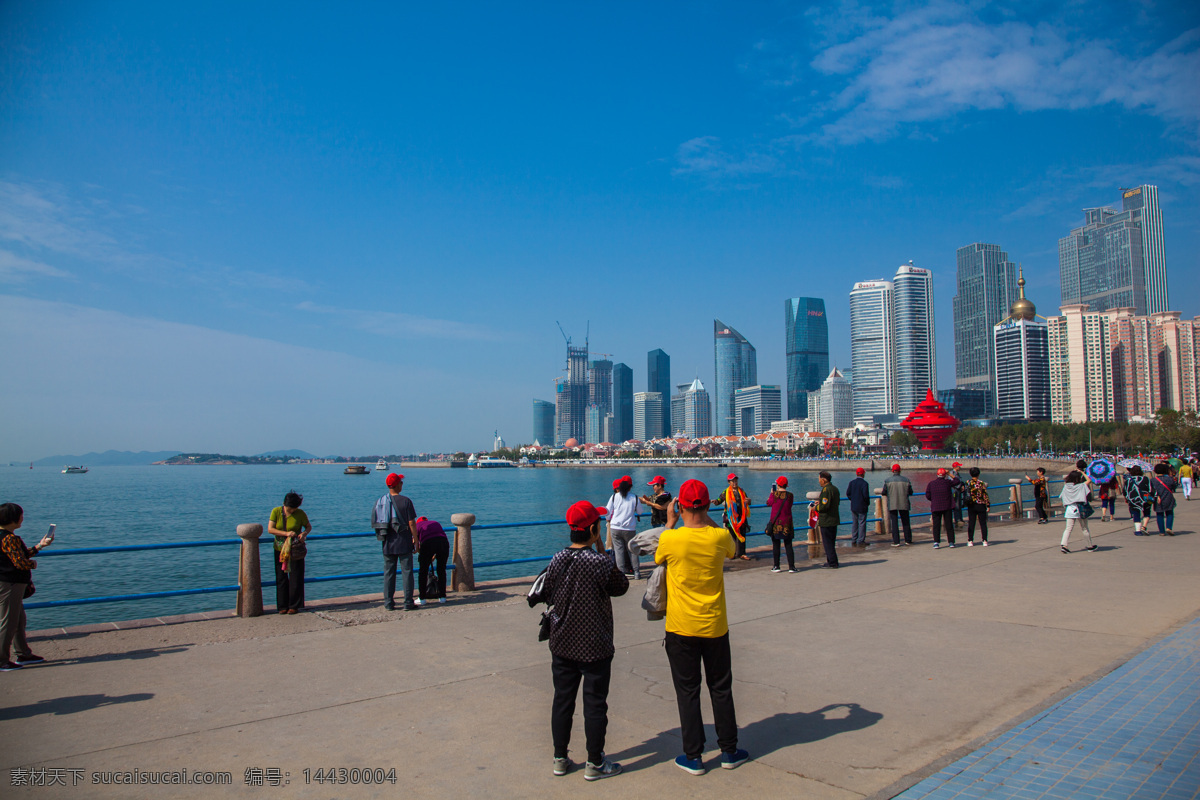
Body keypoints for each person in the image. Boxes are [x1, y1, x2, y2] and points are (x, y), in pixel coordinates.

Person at [656, 479, 749, 775]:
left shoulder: (670, 539)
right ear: (708, 505)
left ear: (680, 506)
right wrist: (704, 516)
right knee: (721, 688)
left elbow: (658, 556)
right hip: (715, 625)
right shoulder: (719, 537)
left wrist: (671, 521)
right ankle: (729, 751)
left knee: (688, 691)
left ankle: (693, 756)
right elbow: (734, 550)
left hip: (681, 626)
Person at [543, 501, 628, 781]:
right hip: (595, 644)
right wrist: (604, 551)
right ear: (593, 529)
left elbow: (549, 592)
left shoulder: (557, 559)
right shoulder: (598, 562)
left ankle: (559, 758)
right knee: (594, 703)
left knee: (562, 700)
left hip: (562, 641)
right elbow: (621, 587)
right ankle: (594, 761)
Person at [0, 503, 53, 671]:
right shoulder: (9, 538)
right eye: (21, 516)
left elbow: (17, 554)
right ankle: (2, 660)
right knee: (9, 622)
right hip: (10, 584)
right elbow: (20, 562)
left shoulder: (5, 537)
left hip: (9, 583)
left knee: (19, 620)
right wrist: (33, 564)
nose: (23, 518)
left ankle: (24, 653)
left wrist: (39, 546)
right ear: (13, 519)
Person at [373, 473, 419, 610]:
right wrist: (416, 540)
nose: (402, 484)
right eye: (401, 482)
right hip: (404, 540)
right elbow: (412, 523)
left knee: (388, 573)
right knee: (407, 572)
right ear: (397, 485)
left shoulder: (380, 502)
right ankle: (408, 602)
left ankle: (388, 603)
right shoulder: (406, 501)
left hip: (387, 540)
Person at [267, 492, 311, 614]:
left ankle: (294, 606)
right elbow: (270, 529)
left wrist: (304, 533)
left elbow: (308, 527)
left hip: (295, 549)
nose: (291, 511)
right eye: (289, 508)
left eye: (294, 508)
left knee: (296, 577)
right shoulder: (276, 512)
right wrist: (286, 534)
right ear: (284, 504)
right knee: (281, 577)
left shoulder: (300, 513)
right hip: (280, 549)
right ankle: (282, 606)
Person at [606, 476, 641, 579]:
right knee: (632, 550)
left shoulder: (614, 497)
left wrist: (609, 519)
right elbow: (640, 511)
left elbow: (607, 512)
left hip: (615, 527)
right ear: (630, 487)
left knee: (618, 550)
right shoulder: (634, 497)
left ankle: (621, 574)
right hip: (629, 528)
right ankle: (636, 572)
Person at [712, 473, 751, 561]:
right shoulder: (725, 492)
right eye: (732, 481)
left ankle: (742, 553)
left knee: (742, 535)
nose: (735, 483)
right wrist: (715, 501)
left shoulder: (742, 491)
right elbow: (719, 500)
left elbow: (747, 500)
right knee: (732, 536)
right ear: (729, 482)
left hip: (741, 517)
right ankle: (733, 553)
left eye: (736, 481)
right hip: (731, 518)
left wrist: (749, 501)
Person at [415, 517, 449, 606]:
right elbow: (437, 537)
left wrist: (424, 555)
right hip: (443, 542)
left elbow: (416, 543)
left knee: (423, 571)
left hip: (428, 542)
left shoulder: (417, 525)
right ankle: (442, 597)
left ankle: (422, 598)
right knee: (441, 570)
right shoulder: (435, 522)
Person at [1059, 472, 1096, 553]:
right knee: (1084, 528)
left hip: (1069, 508)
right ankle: (1089, 546)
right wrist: (1083, 472)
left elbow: (1063, 497)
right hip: (1080, 508)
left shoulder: (1066, 487)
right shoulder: (1081, 486)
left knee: (1068, 528)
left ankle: (1064, 545)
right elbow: (1089, 480)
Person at [765, 476, 796, 573]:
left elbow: (768, 503)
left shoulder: (774, 495)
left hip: (776, 523)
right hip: (787, 523)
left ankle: (776, 566)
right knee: (788, 545)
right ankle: (791, 567)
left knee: (776, 545)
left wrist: (771, 493)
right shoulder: (790, 495)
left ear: (778, 484)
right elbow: (789, 505)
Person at [925, 468, 959, 549]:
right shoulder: (947, 482)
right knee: (949, 525)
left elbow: (928, 495)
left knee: (936, 525)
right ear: (944, 475)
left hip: (936, 506)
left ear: (937, 474)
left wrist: (933, 499)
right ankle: (951, 542)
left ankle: (936, 542)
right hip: (947, 506)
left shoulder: (931, 483)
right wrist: (949, 474)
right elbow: (957, 481)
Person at [884, 464, 914, 546]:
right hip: (904, 503)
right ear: (900, 470)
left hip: (892, 503)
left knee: (894, 523)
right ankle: (908, 540)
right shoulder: (906, 480)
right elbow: (910, 491)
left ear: (892, 471)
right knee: (906, 522)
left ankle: (896, 541)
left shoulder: (887, 480)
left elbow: (884, 492)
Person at [816, 471, 840, 568]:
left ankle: (832, 562)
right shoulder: (835, 489)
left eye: (819, 479)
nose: (819, 482)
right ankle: (831, 560)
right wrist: (820, 503)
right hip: (834, 519)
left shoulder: (826, 490)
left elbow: (824, 507)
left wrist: (816, 508)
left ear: (823, 480)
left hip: (826, 520)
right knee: (831, 542)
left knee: (827, 543)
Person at [1122, 466, 1153, 535]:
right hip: (1146, 497)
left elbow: (1124, 491)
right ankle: (1144, 527)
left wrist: (1126, 498)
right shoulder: (1145, 478)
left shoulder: (1128, 480)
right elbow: (1150, 489)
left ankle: (1137, 530)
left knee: (1136, 513)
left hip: (1133, 499)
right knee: (1147, 512)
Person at [964, 468, 990, 546]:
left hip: (971, 504)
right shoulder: (981, 483)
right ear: (978, 474)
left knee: (971, 523)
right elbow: (985, 494)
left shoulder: (968, 482)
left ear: (970, 474)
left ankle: (970, 540)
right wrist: (988, 504)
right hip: (981, 504)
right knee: (983, 523)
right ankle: (984, 540)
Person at [846, 468, 871, 548]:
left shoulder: (852, 482)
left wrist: (852, 499)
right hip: (862, 506)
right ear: (863, 474)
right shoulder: (864, 484)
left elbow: (848, 493)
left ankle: (854, 539)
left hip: (854, 506)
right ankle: (861, 540)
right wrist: (867, 503)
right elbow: (866, 496)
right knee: (862, 523)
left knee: (855, 523)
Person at [1150, 464, 1177, 536]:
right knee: (1170, 512)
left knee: (1159, 514)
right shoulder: (1169, 479)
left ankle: (1161, 531)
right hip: (1168, 497)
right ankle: (1169, 528)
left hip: (1158, 498)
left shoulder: (1153, 480)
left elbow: (1151, 490)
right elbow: (1174, 487)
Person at [950, 462, 967, 527]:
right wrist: (959, 486)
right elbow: (953, 482)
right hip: (955, 491)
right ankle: (957, 519)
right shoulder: (952, 473)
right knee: (956, 505)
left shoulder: (957, 474)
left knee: (959, 505)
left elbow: (960, 481)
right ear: (956, 467)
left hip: (959, 491)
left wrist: (962, 485)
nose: (960, 467)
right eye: (959, 466)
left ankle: (960, 518)